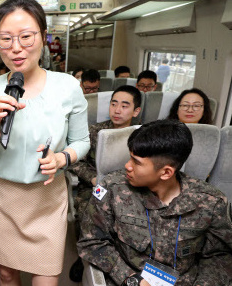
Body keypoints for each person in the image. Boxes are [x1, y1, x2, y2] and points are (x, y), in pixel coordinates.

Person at [0, 0, 90, 285]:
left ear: (44, 37)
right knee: (8, 274)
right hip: (4, 197)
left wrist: (62, 159)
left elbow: (82, 142)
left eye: (26, 37)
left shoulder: (68, 86)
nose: (16, 48)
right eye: (6, 39)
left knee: (47, 276)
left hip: (48, 199)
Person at [77, 119, 232, 286]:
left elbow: (220, 255)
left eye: (136, 162)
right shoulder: (112, 189)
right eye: (130, 157)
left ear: (166, 172)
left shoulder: (210, 202)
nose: (127, 166)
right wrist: (132, 279)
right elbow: (91, 242)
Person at [68, 85, 142, 282]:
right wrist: (93, 178)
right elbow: (76, 162)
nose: (117, 110)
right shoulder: (94, 131)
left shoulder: (142, 135)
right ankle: (84, 255)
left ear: (136, 111)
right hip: (96, 186)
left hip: (132, 187)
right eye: (114, 104)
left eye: (125, 106)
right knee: (88, 212)